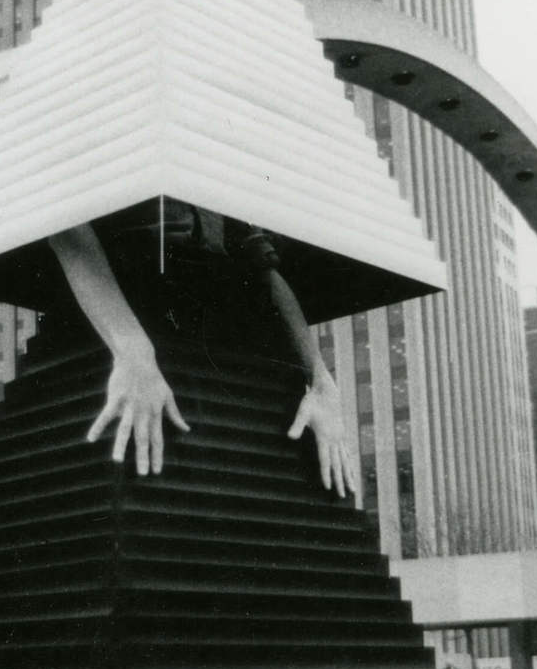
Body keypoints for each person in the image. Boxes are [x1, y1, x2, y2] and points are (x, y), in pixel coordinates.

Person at [49, 207, 357, 496]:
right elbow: (66, 220)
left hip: (244, 366)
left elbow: (266, 270)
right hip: (141, 329)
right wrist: (131, 349)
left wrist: (320, 378)